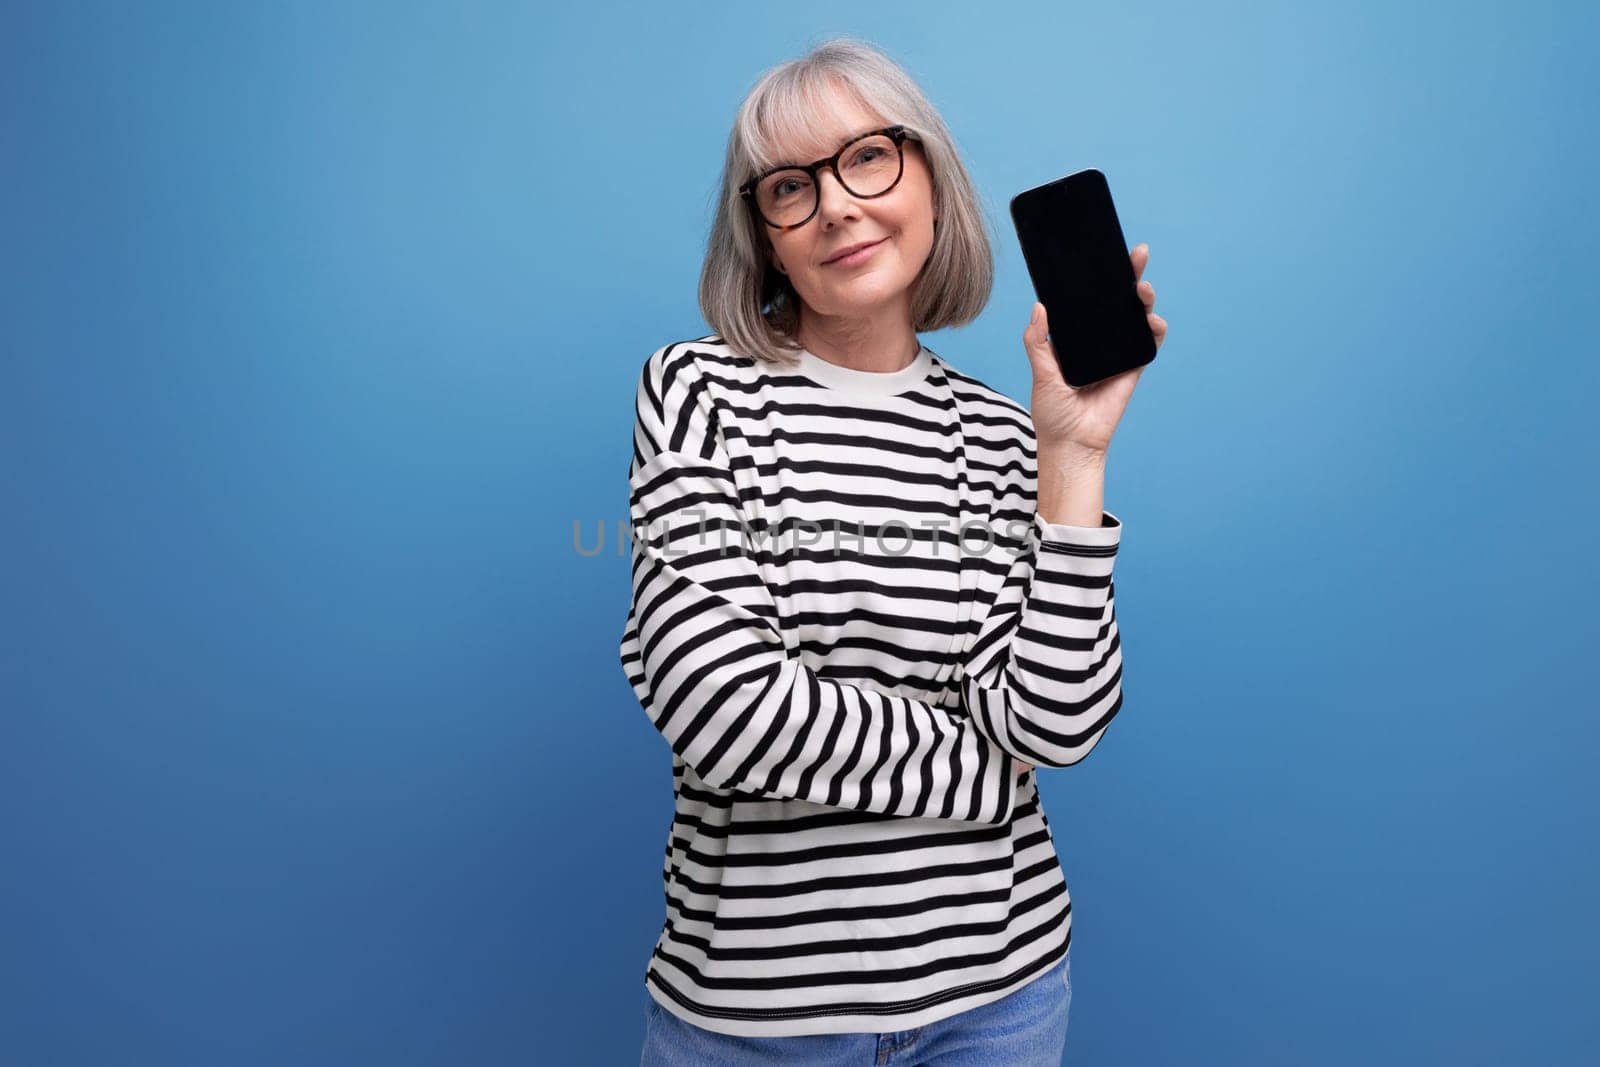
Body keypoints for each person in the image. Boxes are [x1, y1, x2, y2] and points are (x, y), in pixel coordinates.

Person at [618, 35, 1167, 1066]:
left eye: (866, 157)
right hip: (758, 1018)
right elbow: (720, 707)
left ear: (928, 177)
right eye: (789, 186)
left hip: (1000, 1000)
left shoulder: (1010, 436)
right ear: (764, 236)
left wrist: (1073, 458)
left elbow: (1055, 722)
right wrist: (982, 772)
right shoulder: (698, 392)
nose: (834, 204)